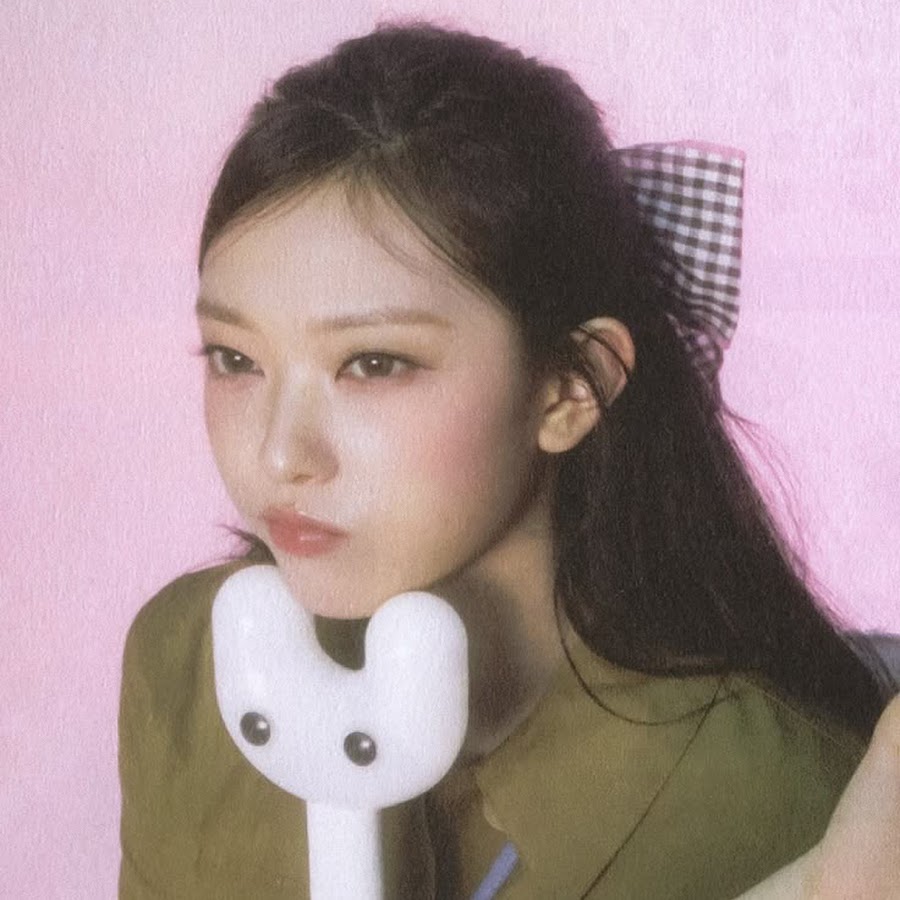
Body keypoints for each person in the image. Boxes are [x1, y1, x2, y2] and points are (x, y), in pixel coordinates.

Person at [118, 23, 898, 899]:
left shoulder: (771, 792)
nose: (279, 453)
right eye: (235, 358)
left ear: (569, 388)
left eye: (373, 364)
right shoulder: (189, 665)